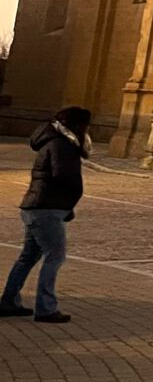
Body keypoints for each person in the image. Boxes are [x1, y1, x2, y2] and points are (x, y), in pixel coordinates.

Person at [1, 106, 92, 323]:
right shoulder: (61, 144)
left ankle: (8, 302)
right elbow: (62, 175)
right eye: (86, 126)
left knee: (28, 256)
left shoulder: (54, 141)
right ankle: (46, 308)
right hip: (47, 208)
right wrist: (70, 198)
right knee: (55, 256)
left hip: (38, 206)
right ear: (77, 125)